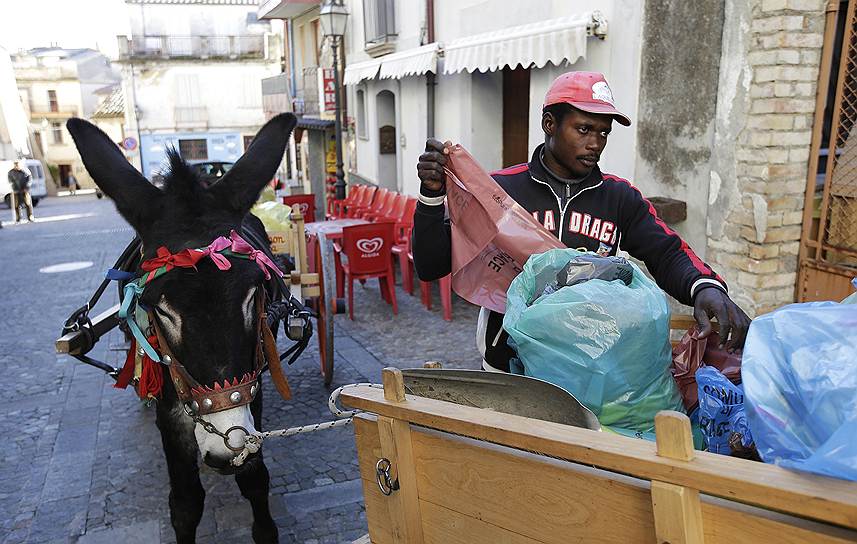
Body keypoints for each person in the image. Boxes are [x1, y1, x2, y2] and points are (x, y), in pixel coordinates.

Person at [413, 71, 751, 373]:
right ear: (550, 124)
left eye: (603, 133)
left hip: (587, 368)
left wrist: (705, 286)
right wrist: (430, 198)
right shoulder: (502, 191)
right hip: (509, 367)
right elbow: (431, 265)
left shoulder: (619, 197)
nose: (595, 144)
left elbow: (667, 253)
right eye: (584, 129)